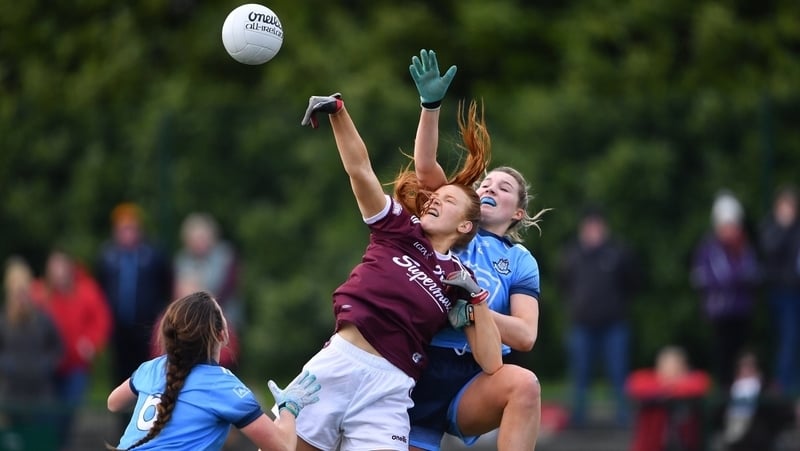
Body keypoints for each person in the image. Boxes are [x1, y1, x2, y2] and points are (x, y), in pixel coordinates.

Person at [297, 90, 502, 451]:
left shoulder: (458, 278)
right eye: (436, 197)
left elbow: (491, 361)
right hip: (339, 363)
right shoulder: (399, 229)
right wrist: (339, 112)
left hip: (391, 387)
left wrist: (476, 297)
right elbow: (360, 171)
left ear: (466, 227)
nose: (435, 199)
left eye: (448, 200)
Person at [405, 49, 545, 451]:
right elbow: (425, 165)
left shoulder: (520, 261)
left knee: (525, 385)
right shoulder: (455, 221)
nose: (488, 189)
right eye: (485, 184)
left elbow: (525, 335)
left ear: (517, 212)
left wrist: (471, 308)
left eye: (503, 189)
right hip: (419, 359)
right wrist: (430, 107)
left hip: (474, 373)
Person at [106, 291, 320, 451]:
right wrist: (289, 409)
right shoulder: (224, 386)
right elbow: (282, 447)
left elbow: (113, 403)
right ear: (222, 334)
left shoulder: (152, 367)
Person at [558, 204, 639, 428]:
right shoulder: (572, 254)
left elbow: (631, 283)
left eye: (597, 226)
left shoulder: (618, 252)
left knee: (618, 371)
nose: (593, 231)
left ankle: (624, 419)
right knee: (579, 373)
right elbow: (564, 283)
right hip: (582, 325)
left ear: (604, 228)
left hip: (614, 324)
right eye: (589, 227)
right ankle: (578, 419)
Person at [96, 202, 173, 422]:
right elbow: (101, 290)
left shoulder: (152, 256)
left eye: (131, 228)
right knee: (120, 377)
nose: (127, 233)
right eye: (123, 229)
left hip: (145, 327)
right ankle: (122, 425)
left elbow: (165, 285)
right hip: (118, 328)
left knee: (147, 374)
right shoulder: (108, 257)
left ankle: (145, 419)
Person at [29, 249, 112, 449]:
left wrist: (92, 343)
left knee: (69, 410)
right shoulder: (38, 293)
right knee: (46, 411)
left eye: (61, 266)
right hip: (48, 365)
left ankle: (61, 445)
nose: (58, 272)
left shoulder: (86, 291)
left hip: (76, 365)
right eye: (53, 267)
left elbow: (101, 320)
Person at [691, 191, 760, 389]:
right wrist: (736, 280)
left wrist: (735, 280)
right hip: (720, 315)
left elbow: (750, 275)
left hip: (741, 312)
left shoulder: (744, 248)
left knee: (742, 360)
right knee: (722, 362)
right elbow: (712, 279)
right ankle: (722, 405)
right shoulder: (708, 249)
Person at [0, 257, 63, 450]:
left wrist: (46, 365)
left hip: (41, 394)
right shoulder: (2, 321)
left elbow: (57, 347)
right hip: (11, 395)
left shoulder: (43, 319)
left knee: (40, 441)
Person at [626, 346, 711, 451]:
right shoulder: (645, 380)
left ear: (685, 368)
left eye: (676, 367)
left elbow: (701, 384)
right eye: (667, 365)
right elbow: (634, 385)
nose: (670, 371)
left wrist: (670, 389)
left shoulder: (694, 381)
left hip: (685, 443)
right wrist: (667, 390)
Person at [758, 185, 800, 396]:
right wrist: (784, 228)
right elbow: (770, 249)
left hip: (796, 290)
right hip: (781, 292)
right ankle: (783, 386)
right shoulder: (771, 227)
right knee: (787, 339)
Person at [715, 351, 796, 451]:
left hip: (757, 439)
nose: (747, 370)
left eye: (750, 367)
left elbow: (784, 413)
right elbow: (717, 414)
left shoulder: (766, 389)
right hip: (732, 435)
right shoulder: (728, 390)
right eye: (744, 366)